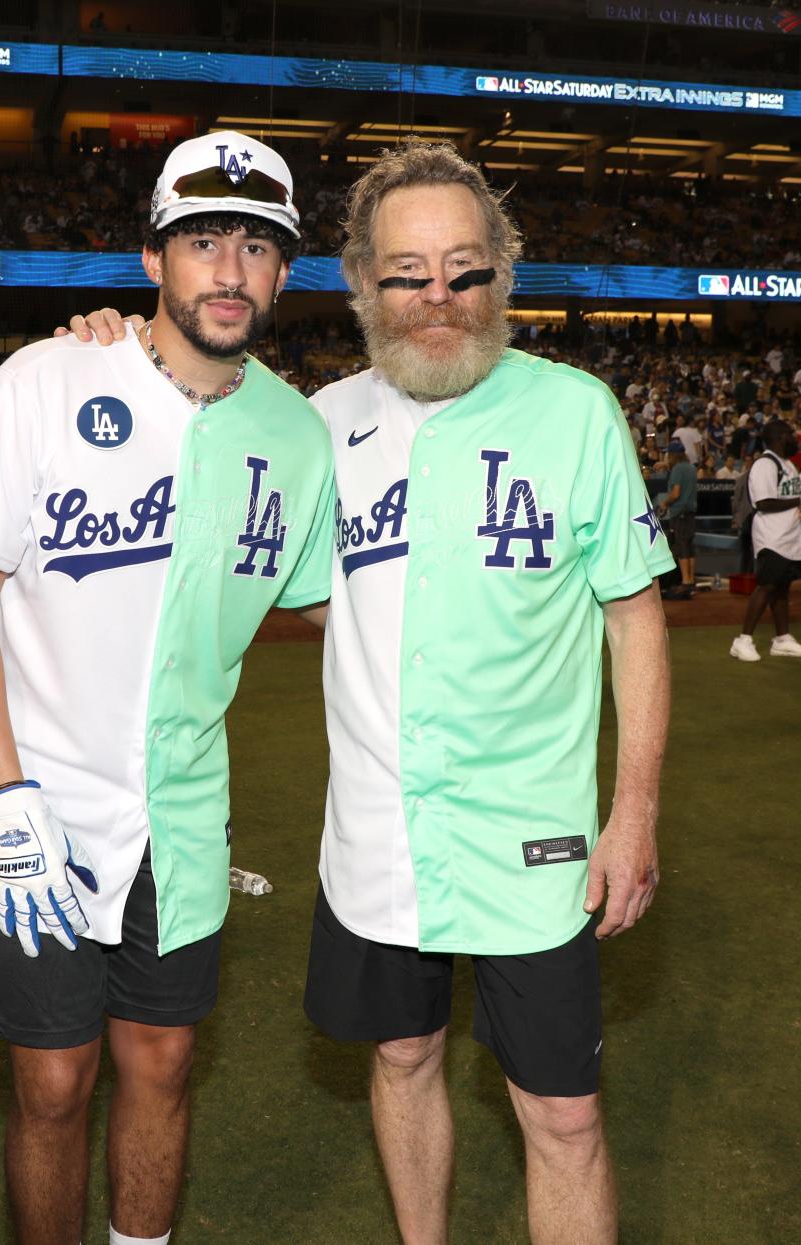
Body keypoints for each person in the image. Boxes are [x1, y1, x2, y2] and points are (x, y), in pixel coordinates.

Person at [71, 140, 673, 1245]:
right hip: (374, 832)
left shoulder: (579, 411)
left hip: (534, 836)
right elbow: (283, 569)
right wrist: (101, 349)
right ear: (358, 283)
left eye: (464, 268)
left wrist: (631, 810)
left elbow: (633, 614)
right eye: (406, 272)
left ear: (504, 268)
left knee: (565, 1115)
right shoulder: (313, 428)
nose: (437, 297)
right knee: (400, 1057)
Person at [0, 130, 334, 1245]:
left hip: (183, 812)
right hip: (34, 805)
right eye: (203, 241)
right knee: (52, 1084)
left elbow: (337, 605)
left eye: (256, 248)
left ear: (284, 274)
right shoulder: (49, 378)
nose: (229, 271)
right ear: (152, 259)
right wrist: (3, 794)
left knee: (163, 1060)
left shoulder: (296, 438)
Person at [729, 419, 801, 662]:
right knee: (767, 586)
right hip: (772, 538)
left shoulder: (788, 464)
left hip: (790, 539)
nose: (794, 437)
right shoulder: (765, 464)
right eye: (790, 433)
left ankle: (782, 639)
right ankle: (743, 640)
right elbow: (763, 502)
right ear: (780, 437)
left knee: (782, 587)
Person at [658, 438, 698, 599]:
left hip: (679, 513)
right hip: (691, 512)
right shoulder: (691, 467)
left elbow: (675, 493)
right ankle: (692, 581)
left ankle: (686, 582)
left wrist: (664, 504)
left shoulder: (677, 469)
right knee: (689, 547)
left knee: (681, 547)